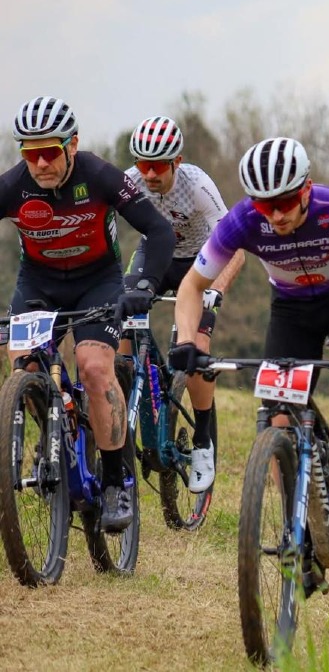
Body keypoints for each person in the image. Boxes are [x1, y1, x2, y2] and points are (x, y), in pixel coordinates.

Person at [170, 137, 329, 529]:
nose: (276, 215)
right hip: (291, 308)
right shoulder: (243, 221)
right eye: (266, 206)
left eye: (285, 202)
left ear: (307, 188)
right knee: (278, 418)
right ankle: (296, 528)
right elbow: (192, 286)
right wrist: (185, 339)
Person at [3, 96, 175, 531]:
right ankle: (54, 423)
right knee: (20, 365)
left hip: (95, 282)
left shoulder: (99, 175)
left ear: (72, 144)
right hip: (38, 284)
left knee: (95, 367)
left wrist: (142, 287)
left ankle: (117, 479)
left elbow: (159, 230)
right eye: (30, 153)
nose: (40, 163)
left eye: (49, 152)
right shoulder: (12, 186)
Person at [119, 116, 244, 493]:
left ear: (178, 160)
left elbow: (235, 246)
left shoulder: (199, 186)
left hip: (202, 264)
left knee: (193, 350)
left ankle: (203, 439)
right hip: (154, 257)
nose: (151, 174)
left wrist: (215, 291)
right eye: (144, 165)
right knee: (118, 333)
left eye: (159, 166)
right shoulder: (130, 181)